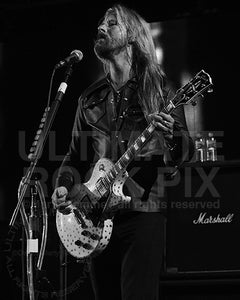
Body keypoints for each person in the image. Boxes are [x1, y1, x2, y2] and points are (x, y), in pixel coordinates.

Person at [51, 3, 194, 300]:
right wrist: (63, 186)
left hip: (142, 214)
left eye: (111, 23)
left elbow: (185, 154)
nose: (101, 28)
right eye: (101, 23)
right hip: (96, 218)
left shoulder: (159, 89)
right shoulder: (88, 99)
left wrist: (172, 135)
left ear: (131, 35)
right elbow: (74, 157)